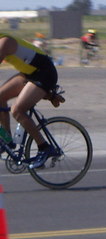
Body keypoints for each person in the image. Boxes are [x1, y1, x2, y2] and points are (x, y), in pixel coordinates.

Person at [0, 33, 60, 169]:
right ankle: (7, 140)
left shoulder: (4, 42)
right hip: (29, 73)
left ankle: (44, 147)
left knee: (17, 110)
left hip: (44, 72)